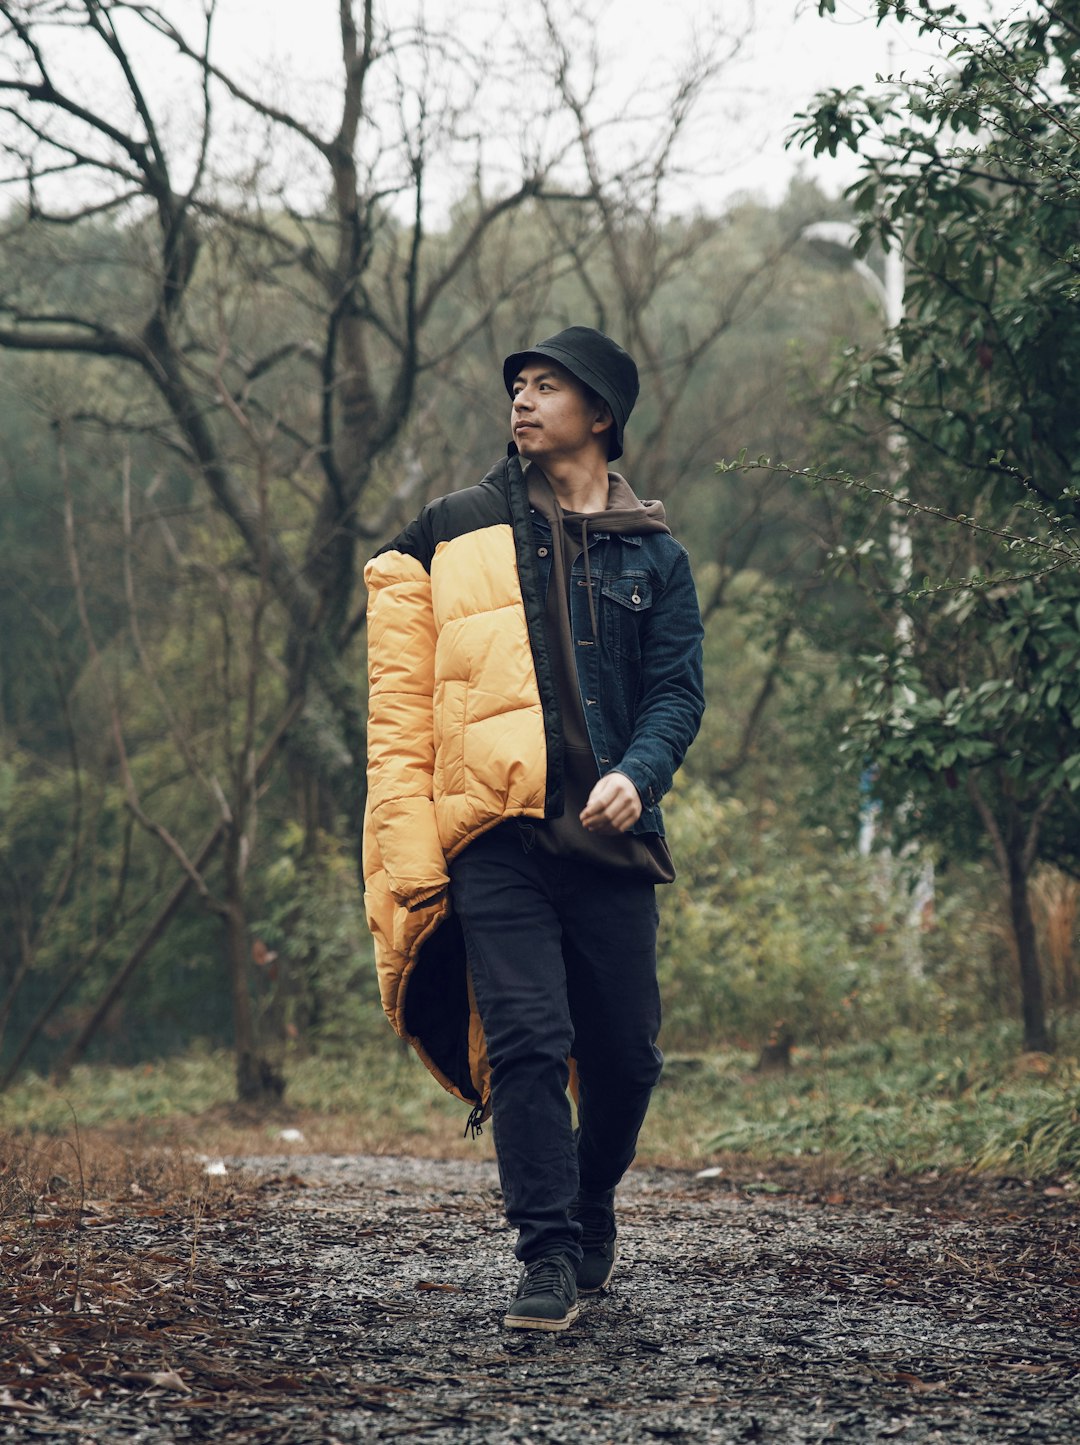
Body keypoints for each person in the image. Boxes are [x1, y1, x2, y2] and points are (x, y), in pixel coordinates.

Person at [363, 326, 705, 1331]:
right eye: (517, 383)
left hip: (608, 838)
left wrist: (640, 776)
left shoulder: (656, 552)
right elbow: (400, 694)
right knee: (523, 1041)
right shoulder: (450, 528)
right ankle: (547, 1256)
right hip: (495, 835)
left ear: (598, 416)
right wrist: (412, 838)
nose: (522, 399)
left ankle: (592, 1204)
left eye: (547, 386)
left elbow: (677, 692)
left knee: (627, 1054)